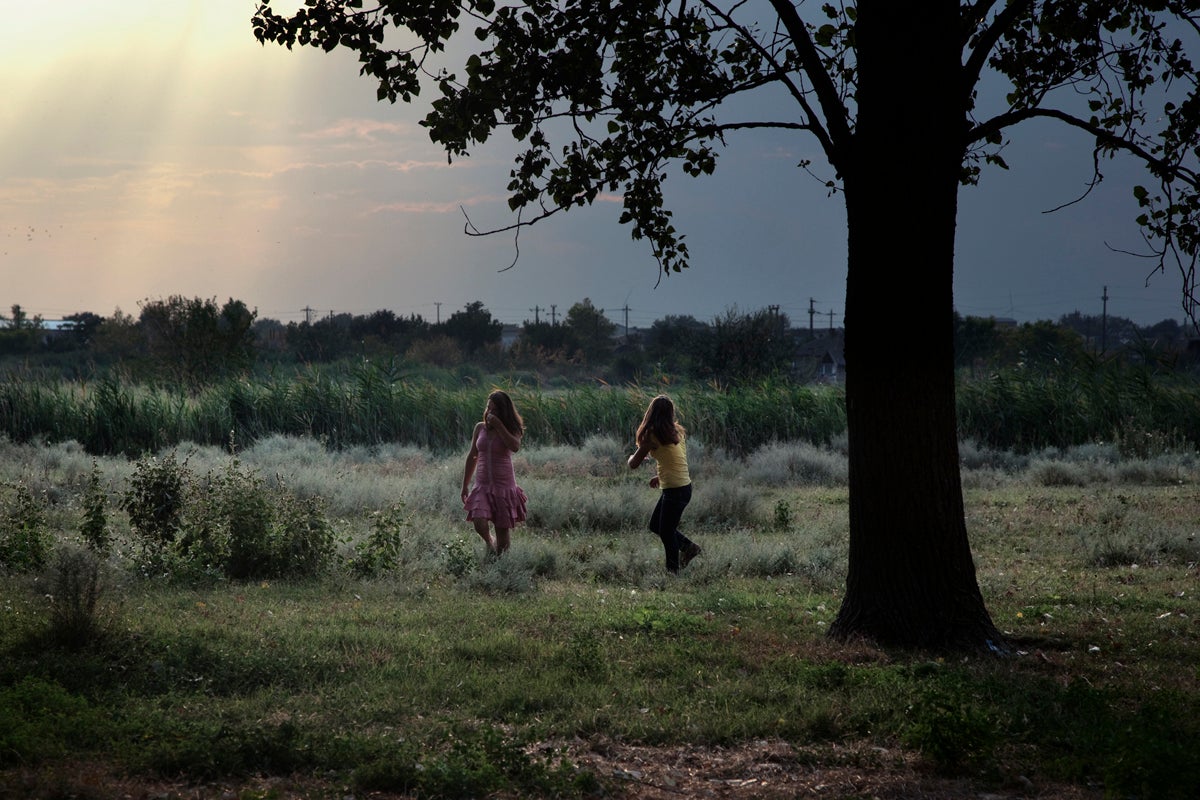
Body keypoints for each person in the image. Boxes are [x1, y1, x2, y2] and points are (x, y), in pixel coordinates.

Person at [628, 394, 701, 573]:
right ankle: (689, 548)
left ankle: (673, 572)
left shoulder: (651, 435)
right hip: (683, 487)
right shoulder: (677, 431)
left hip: (675, 490)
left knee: (667, 532)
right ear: (670, 413)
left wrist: (632, 455)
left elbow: (633, 464)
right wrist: (659, 477)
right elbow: (675, 459)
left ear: (651, 413)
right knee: (656, 526)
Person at [461, 389, 527, 556]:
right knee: (479, 522)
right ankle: (489, 541)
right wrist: (465, 485)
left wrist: (498, 425)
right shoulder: (480, 428)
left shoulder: (512, 428)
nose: (490, 413)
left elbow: (515, 446)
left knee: (502, 535)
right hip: (482, 485)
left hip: (503, 486)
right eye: (488, 408)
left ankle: (500, 565)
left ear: (503, 412)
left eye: (495, 410)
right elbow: (472, 456)